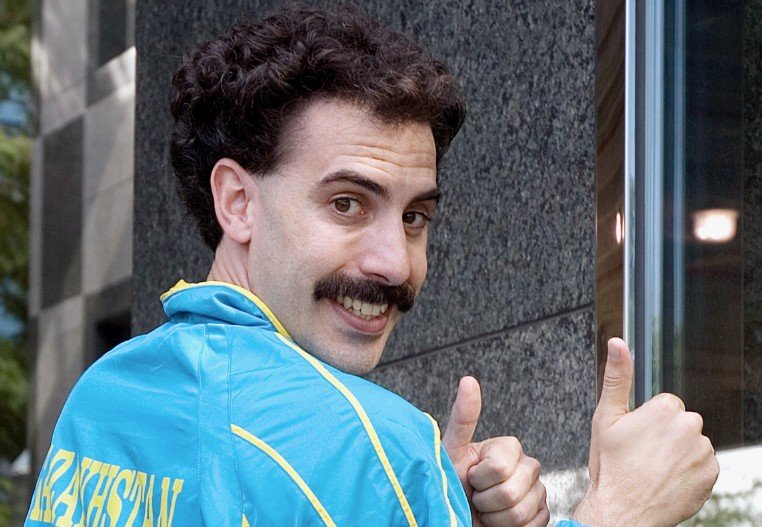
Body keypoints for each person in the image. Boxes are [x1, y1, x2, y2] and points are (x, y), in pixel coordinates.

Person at [25, 3, 718, 526]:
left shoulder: (104, 394)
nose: (394, 262)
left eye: (415, 217)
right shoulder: (371, 445)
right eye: (348, 204)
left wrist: (422, 499)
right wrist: (620, 510)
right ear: (237, 202)